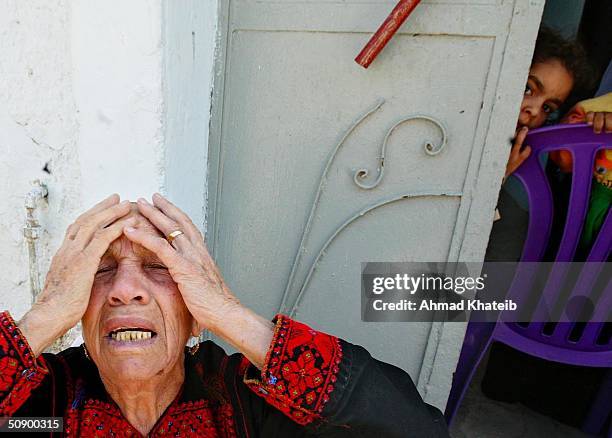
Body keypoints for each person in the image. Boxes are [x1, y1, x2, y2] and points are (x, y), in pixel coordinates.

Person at [0, 194, 449, 437]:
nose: (125, 290)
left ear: (196, 314)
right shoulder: (46, 411)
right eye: (101, 271)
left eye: (159, 267)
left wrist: (230, 314)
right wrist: (44, 315)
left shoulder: (245, 405)